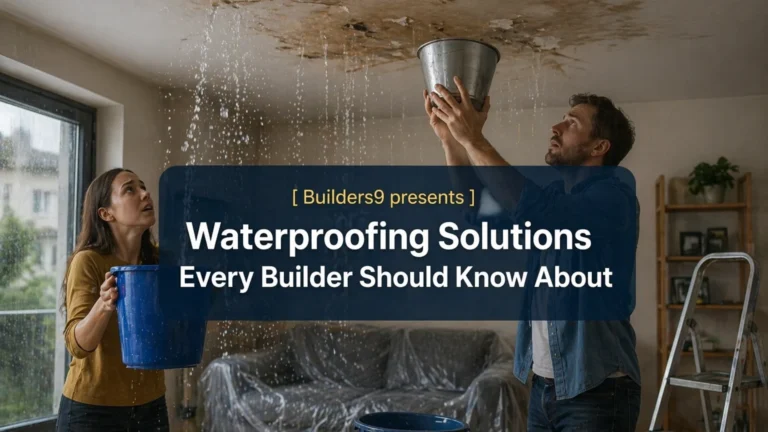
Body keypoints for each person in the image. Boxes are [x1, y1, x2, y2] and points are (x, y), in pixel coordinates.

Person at [423, 77, 641, 431]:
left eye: (572, 123)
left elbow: (535, 209)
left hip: (598, 391)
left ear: (600, 146)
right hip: (543, 388)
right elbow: (477, 213)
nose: (556, 127)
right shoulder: (557, 198)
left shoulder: (614, 199)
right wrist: (451, 140)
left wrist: (473, 138)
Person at [56, 168, 169, 432]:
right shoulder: (88, 262)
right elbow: (77, 344)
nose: (145, 193)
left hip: (151, 406)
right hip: (92, 411)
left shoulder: (161, 261)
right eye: (130, 189)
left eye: (143, 186)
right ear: (106, 214)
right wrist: (104, 304)